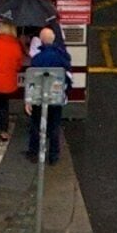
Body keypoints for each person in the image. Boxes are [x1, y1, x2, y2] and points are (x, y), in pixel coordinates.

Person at [24, 26, 72, 164]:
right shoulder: (63, 57)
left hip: (39, 97)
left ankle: (34, 152)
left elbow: (32, 79)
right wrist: (65, 93)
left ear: (41, 41)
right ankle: (53, 156)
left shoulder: (37, 59)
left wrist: (28, 100)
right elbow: (68, 77)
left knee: (35, 124)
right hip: (56, 97)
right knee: (55, 126)